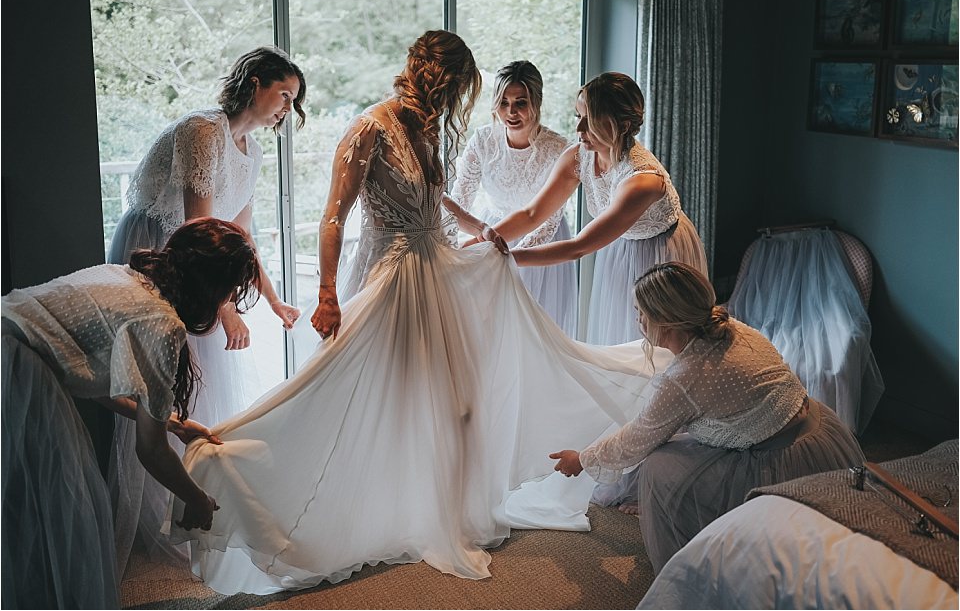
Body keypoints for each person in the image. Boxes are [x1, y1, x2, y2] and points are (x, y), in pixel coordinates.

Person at [172, 30, 671, 596]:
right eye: (458, 88)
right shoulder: (370, 127)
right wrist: (329, 292)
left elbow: (439, 204)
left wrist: (485, 239)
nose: (457, 103)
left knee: (453, 404)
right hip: (387, 278)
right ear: (436, 78)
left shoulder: (428, 127)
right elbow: (333, 218)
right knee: (350, 398)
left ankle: (429, 509)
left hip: (437, 273)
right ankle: (236, 466)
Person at [107, 46, 304, 571]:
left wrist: (272, 298)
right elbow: (197, 229)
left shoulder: (253, 151)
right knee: (162, 371)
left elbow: (239, 234)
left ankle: (197, 496)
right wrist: (226, 309)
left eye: (293, 100)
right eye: (284, 94)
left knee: (204, 375)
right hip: (163, 249)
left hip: (202, 255)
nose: (287, 107)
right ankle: (155, 509)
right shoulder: (202, 131)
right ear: (256, 84)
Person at [1, 218, 261, 610]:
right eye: (230, 293)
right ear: (212, 287)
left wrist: (174, 423)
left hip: (10, 338)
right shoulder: (161, 324)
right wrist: (197, 499)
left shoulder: (125, 277)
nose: (230, 302)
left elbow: (87, 377)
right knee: (57, 519)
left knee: (20, 515)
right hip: (16, 371)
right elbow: (150, 450)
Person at [549, 262, 865, 573]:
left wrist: (583, 459)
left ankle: (688, 558)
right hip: (817, 430)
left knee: (660, 463)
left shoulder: (685, 378)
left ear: (666, 323)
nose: (637, 320)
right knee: (687, 437)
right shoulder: (732, 327)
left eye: (640, 313)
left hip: (777, 461)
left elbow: (636, 440)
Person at [481, 72, 708, 347]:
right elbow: (532, 214)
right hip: (618, 248)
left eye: (592, 120)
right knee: (617, 336)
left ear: (622, 124)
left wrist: (507, 259)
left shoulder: (642, 180)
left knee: (656, 342)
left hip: (660, 252)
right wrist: (480, 239)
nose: (580, 129)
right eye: (578, 116)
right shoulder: (579, 156)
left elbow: (578, 246)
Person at [449, 61, 578, 337]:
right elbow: (459, 201)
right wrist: (460, 247)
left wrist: (514, 258)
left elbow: (546, 222)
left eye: (521, 102)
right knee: (492, 334)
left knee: (535, 335)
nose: (511, 112)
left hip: (541, 243)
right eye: (504, 102)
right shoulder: (483, 140)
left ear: (537, 101)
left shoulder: (560, 149)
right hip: (491, 235)